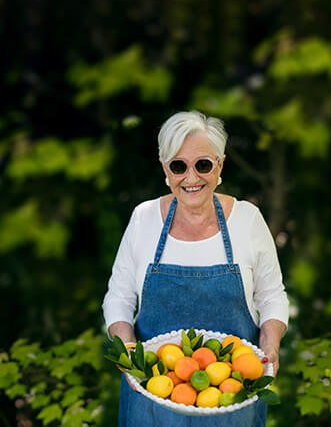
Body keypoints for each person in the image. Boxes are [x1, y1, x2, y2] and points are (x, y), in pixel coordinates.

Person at [102, 111, 289, 427]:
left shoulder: (247, 220)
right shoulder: (143, 218)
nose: (191, 178)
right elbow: (118, 298)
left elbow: (272, 296)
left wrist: (271, 343)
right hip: (150, 399)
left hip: (232, 398)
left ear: (220, 165)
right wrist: (128, 347)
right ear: (165, 168)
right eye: (179, 166)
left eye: (203, 164)